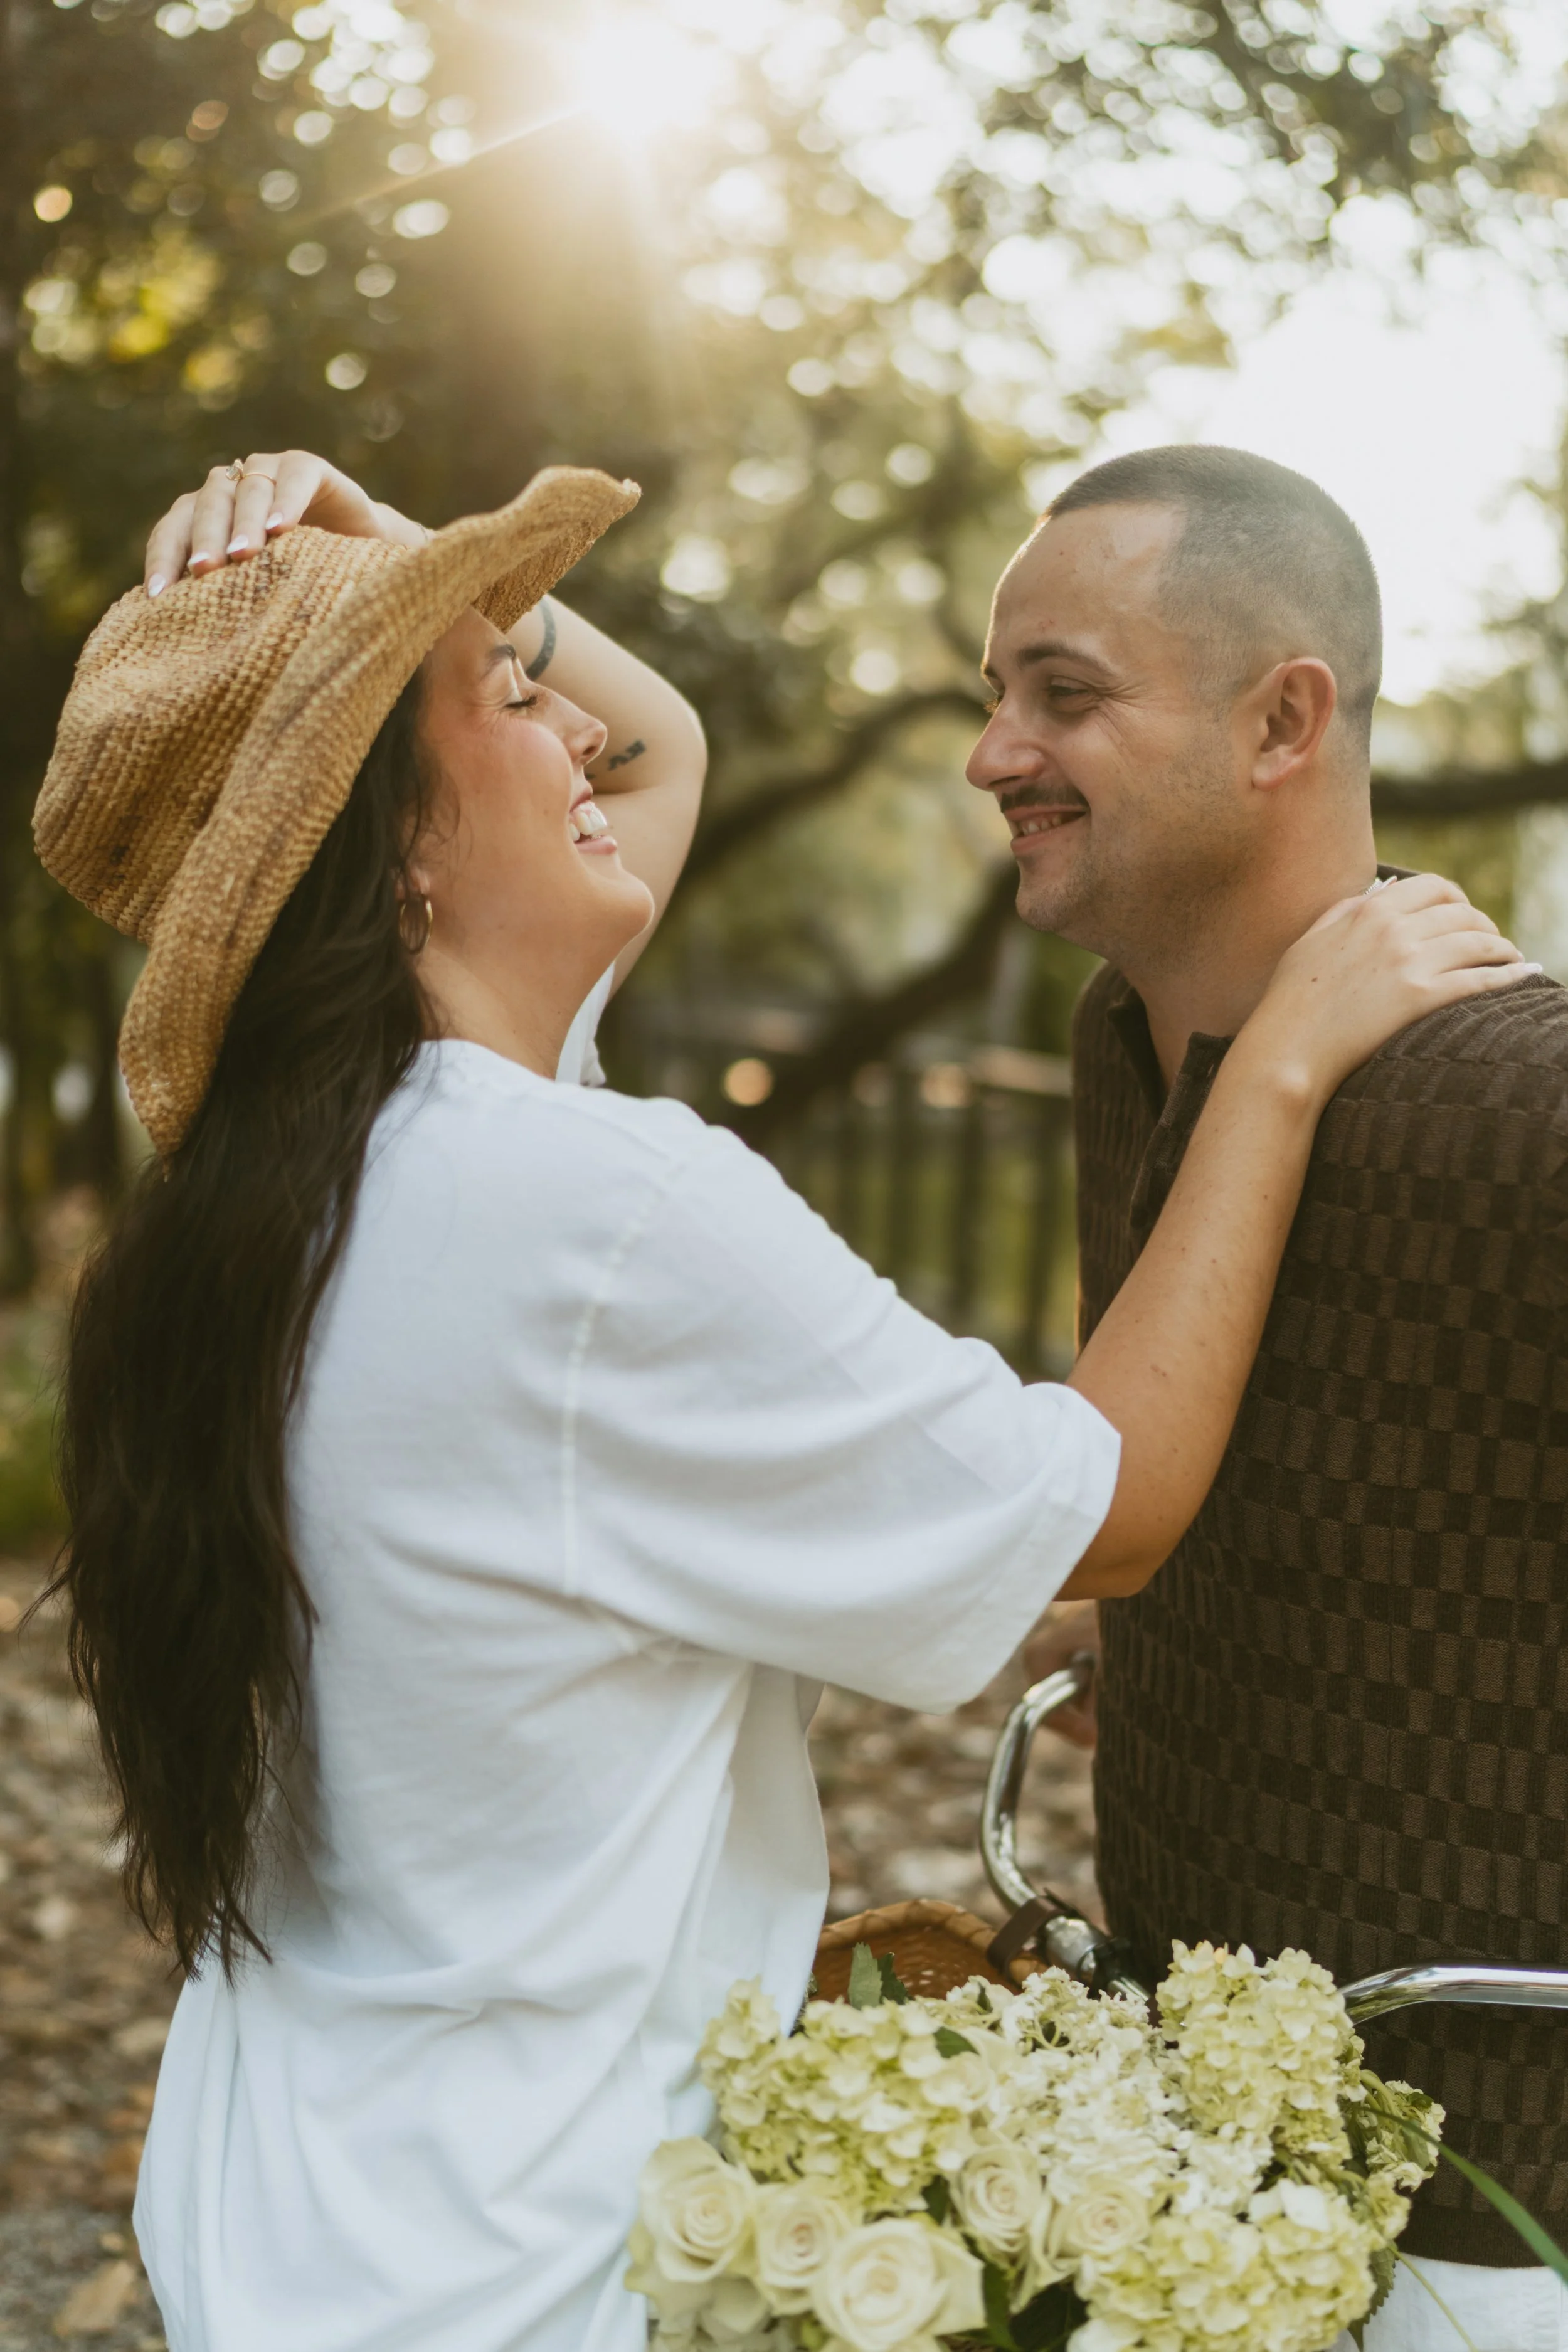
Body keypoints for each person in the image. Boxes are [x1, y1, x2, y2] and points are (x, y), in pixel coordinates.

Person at [39, 449, 1528, 2352]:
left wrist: (405, 578)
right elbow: (1108, 1502)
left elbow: (648, 753)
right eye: (509, 700)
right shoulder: (587, 1211)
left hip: (299, 2215)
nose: (577, 725)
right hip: (528, 2265)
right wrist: (1289, 1054)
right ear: (399, 845)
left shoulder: (283, 1193)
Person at [972, 444, 1568, 2348]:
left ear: (1279, 720)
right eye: (997, 695)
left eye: (1062, 693)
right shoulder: (1115, 1044)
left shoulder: (1518, 1100)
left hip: (1492, 2228)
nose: (994, 752)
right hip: (1183, 2144)